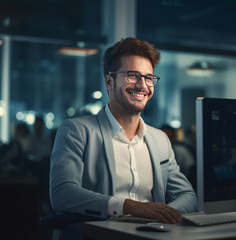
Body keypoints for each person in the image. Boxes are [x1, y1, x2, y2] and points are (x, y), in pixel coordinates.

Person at [49, 37, 197, 238]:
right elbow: (62, 194)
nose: (142, 85)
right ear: (109, 82)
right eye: (132, 75)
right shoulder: (76, 130)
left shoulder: (160, 139)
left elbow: (187, 195)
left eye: (148, 77)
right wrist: (129, 207)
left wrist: (163, 215)